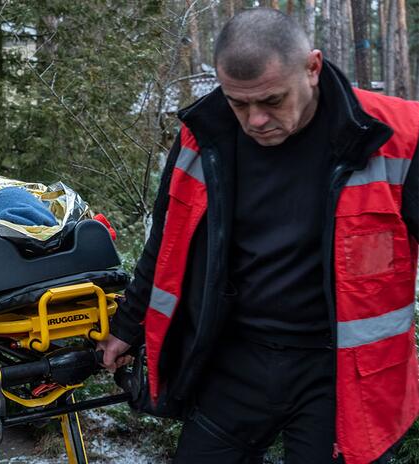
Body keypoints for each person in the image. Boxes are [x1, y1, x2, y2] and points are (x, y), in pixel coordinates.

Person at [99, 8, 418, 464]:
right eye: (238, 103)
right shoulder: (201, 137)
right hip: (234, 361)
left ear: (312, 67)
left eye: (271, 100)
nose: (255, 120)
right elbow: (167, 244)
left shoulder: (395, 137)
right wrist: (126, 328)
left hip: (340, 374)